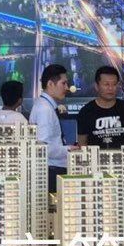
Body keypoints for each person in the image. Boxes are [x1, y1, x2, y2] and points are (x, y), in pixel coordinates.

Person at [30, 63, 76, 192]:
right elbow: (43, 148)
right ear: (50, 84)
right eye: (63, 83)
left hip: (51, 169)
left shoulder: (44, 105)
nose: (67, 88)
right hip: (52, 170)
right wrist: (68, 149)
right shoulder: (45, 109)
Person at [77, 65, 124, 148]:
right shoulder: (86, 111)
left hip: (123, 156)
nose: (110, 88)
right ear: (97, 86)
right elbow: (82, 144)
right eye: (106, 84)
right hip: (95, 156)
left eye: (114, 84)